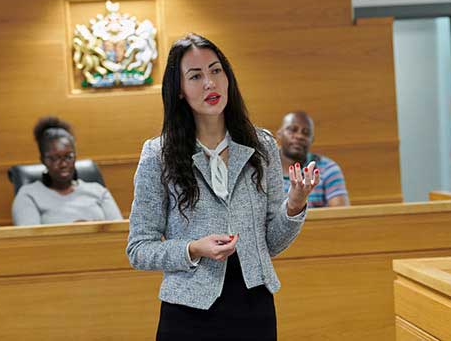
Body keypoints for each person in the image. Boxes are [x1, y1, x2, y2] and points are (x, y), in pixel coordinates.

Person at [126, 33, 320, 340]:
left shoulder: (262, 146)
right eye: (196, 75)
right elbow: (138, 249)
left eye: (216, 71)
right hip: (188, 312)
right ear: (179, 90)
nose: (210, 83)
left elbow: (271, 243)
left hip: (254, 309)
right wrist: (193, 248)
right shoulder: (158, 155)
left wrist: (294, 204)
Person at [12, 116, 123, 225]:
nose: (63, 164)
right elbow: (31, 241)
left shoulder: (98, 191)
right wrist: (75, 232)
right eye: (55, 158)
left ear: (75, 156)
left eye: (68, 157)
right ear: (43, 160)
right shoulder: (29, 195)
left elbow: (120, 234)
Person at [276, 111, 350, 208]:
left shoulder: (327, 168)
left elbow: (341, 215)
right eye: (292, 130)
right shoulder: (264, 167)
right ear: (279, 134)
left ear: (312, 140)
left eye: (306, 133)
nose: (299, 136)